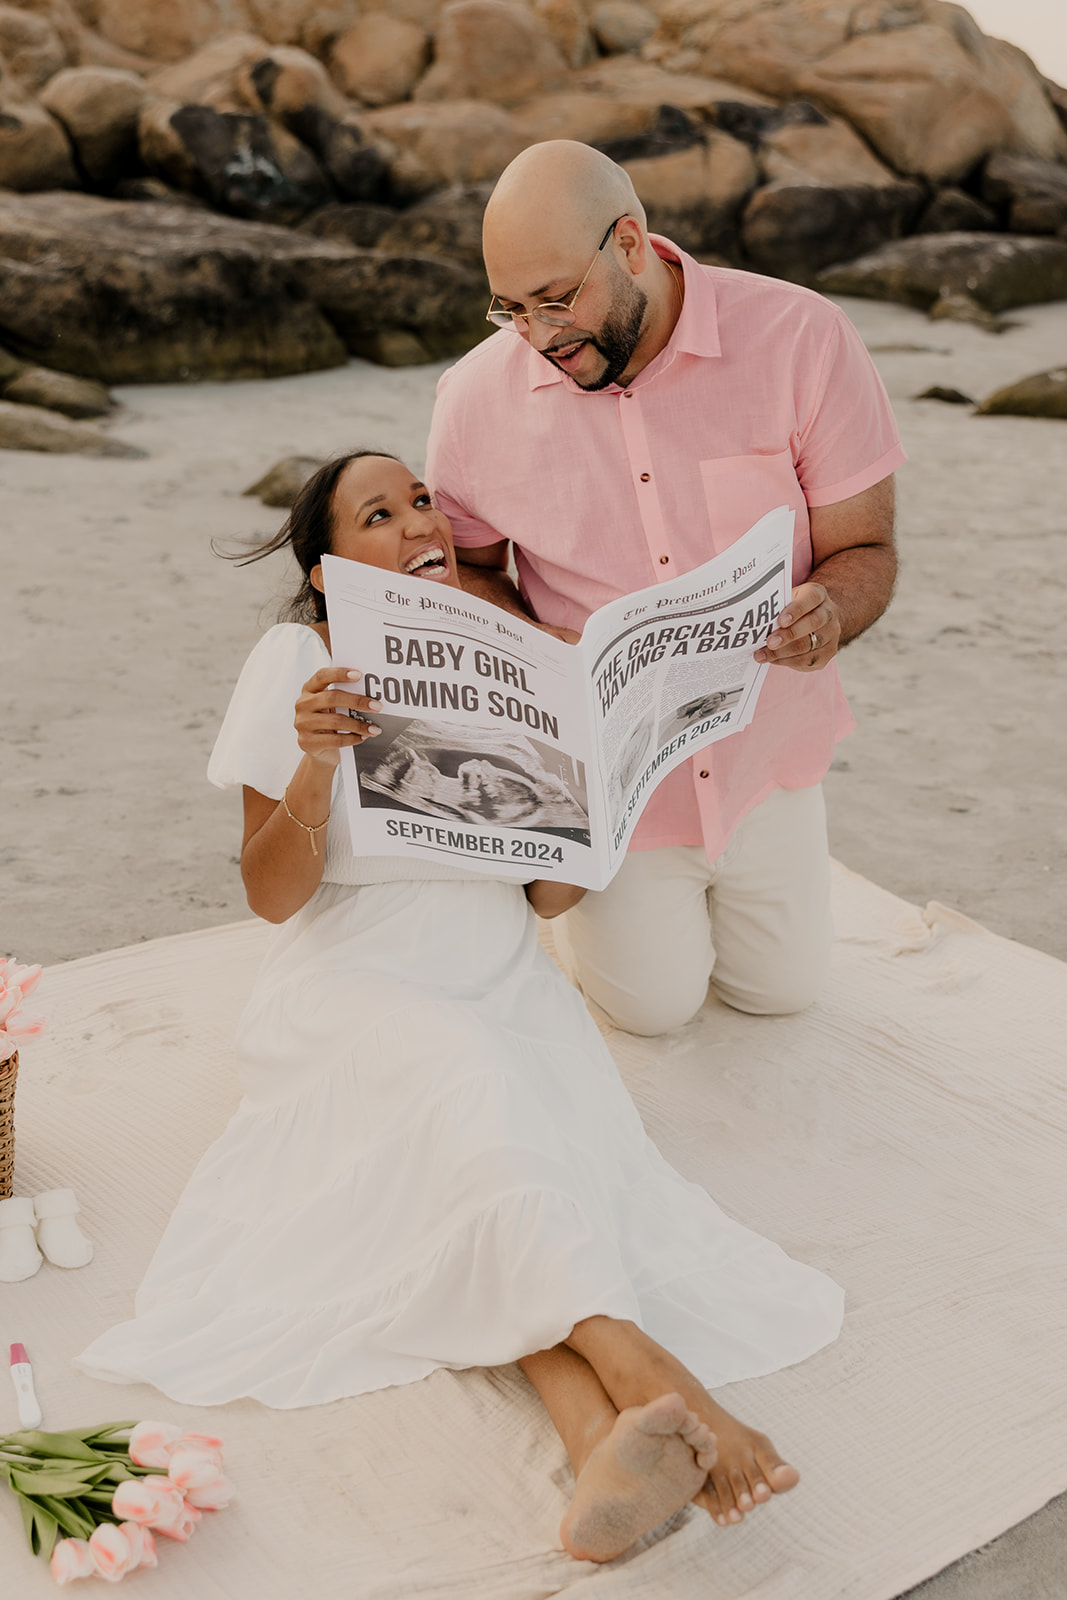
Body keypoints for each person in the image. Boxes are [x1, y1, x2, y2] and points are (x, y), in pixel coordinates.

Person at [75, 450, 843, 1563]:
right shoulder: (300, 657)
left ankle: (597, 1455)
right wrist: (312, 765)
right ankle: (647, 1373)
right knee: (475, 1105)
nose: (416, 522)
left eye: (421, 500)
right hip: (360, 978)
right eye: (376, 514)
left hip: (499, 974)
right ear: (332, 570)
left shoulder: (519, 662)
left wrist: (604, 789)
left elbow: (545, 894)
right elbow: (269, 895)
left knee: (497, 1169)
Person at [426, 140, 906, 1037]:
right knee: (653, 1010)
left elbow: (866, 547)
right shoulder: (470, 400)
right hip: (613, 781)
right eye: (510, 309)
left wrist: (830, 612)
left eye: (557, 300)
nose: (536, 336)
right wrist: (541, 651)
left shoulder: (802, 337)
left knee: (781, 993)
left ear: (631, 242)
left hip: (769, 757)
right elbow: (472, 574)